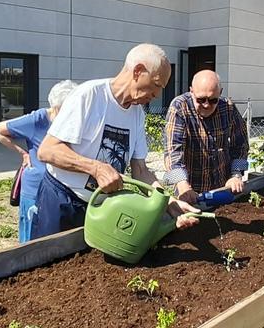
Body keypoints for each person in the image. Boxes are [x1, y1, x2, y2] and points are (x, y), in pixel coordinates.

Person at [35, 43, 200, 239]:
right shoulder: (90, 95)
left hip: (102, 206)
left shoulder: (137, 114)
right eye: (156, 85)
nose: (157, 95)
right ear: (138, 71)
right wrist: (95, 168)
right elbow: (47, 150)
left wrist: (169, 202)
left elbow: (140, 170)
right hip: (61, 201)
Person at [0, 79, 78, 243]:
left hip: (60, 191)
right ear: (57, 107)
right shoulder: (37, 120)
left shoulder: (73, 122)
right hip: (35, 189)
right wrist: (23, 153)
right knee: (30, 239)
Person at [164, 70, 249, 204]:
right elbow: (173, 152)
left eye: (213, 100)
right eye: (201, 99)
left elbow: (240, 144)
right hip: (189, 189)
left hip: (221, 187)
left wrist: (236, 175)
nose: (206, 105)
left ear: (220, 93)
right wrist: (182, 184)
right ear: (191, 91)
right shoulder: (180, 108)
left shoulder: (228, 108)